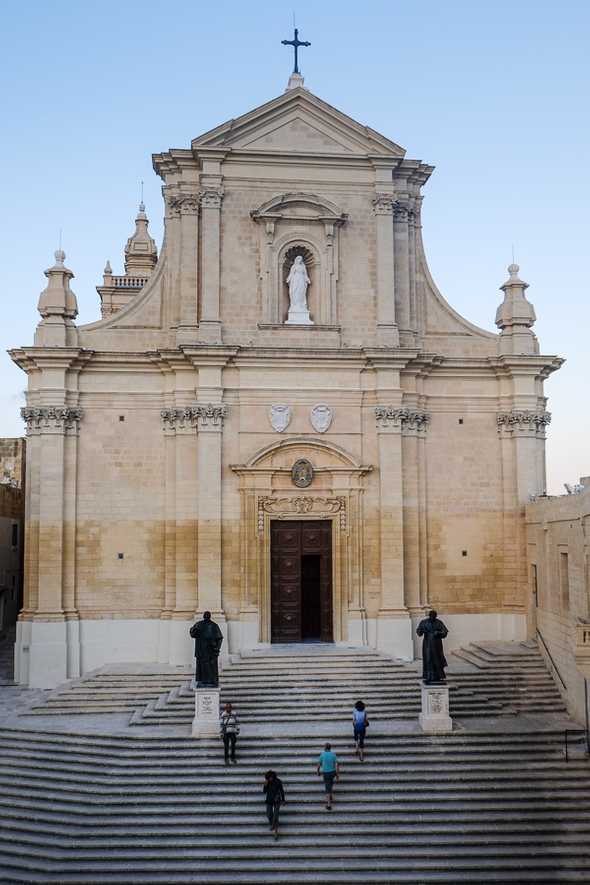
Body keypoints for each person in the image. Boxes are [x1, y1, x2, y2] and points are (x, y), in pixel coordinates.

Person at [189, 611, 223, 687]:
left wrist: (217, 648)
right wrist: (217, 648)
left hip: (209, 651)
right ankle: (204, 681)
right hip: (203, 651)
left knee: (209, 667)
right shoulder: (199, 625)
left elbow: (220, 638)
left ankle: (210, 681)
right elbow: (192, 633)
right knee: (203, 667)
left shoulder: (213, 625)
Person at [416, 609, 449, 684]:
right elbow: (419, 632)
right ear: (429, 616)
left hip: (437, 644)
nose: (433, 618)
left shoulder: (439, 622)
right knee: (428, 660)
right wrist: (421, 631)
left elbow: (445, 632)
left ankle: (438, 676)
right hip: (427, 644)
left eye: (434, 616)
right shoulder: (424, 622)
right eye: (431, 616)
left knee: (437, 659)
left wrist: (439, 633)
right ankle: (428, 676)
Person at [316, 742, 340, 810]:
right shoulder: (333, 755)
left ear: (325, 748)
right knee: (330, 783)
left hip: (326, 773)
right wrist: (337, 774)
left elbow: (318, 765)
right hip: (332, 772)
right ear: (330, 748)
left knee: (327, 788)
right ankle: (331, 796)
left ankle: (329, 805)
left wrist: (317, 772)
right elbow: (337, 765)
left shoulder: (322, 755)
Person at [263, 770, 285, 840]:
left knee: (275, 816)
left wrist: (283, 800)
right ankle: (272, 824)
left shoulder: (278, 781)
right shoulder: (267, 782)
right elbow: (264, 792)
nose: (270, 779)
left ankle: (276, 833)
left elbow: (282, 790)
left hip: (277, 800)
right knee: (269, 814)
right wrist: (265, 785)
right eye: (268, 778)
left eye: (270, 777)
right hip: (269, 800)